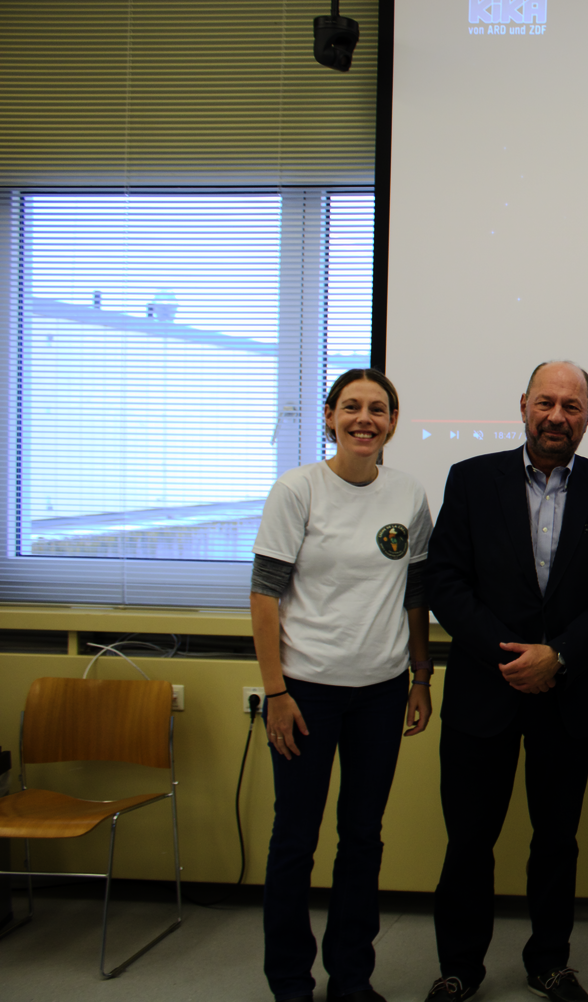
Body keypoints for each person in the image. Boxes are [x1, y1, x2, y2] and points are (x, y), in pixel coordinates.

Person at [422, 361, 588, 1002]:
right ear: (523, 406)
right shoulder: (470, 479)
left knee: (557, 841)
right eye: (546, 402)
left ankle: (549, 962)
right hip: (482, 691)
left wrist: (559, 656)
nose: (556, 416)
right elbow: (445, 582)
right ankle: (460, 967)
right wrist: (514, 657)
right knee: (468, 840)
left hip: (567, 696)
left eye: (572, 406)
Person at [250, 368, 435, 1002]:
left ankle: (352, 978)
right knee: (295, 840)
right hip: (305, 694)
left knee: (362, 838)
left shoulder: (407, 494)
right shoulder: (297, 490)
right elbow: (264, 596)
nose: (364, 419)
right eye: (351, 407)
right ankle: (290, 982)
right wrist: (276, 693)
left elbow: (415, 593)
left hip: (381, 692)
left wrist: (420, 676)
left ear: (393, 422)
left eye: (378, 409)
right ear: (330, 417)